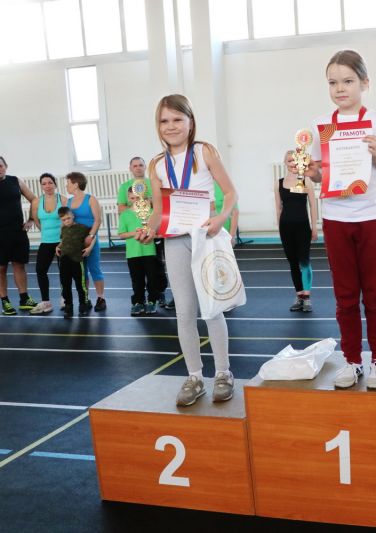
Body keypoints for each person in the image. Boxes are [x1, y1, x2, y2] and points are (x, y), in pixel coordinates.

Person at [293, 49, 376, 390]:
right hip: (336, 218)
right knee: (345, 296)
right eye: (333, 83)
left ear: (364, 83)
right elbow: (316, 175)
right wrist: (305, 169)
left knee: (375, 294)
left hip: (371, 218)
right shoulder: (319, 127)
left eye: (347, 81)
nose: (340, 88)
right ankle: (352, 360)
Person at [138, 94, 238, 406]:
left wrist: (221, 218)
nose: (171, 126)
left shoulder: (203, 151)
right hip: (175, 241)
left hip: (205, 237)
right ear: (158, 125)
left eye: (177, 119)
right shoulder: (156, 164)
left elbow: (230, 192)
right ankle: (195, 376)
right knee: (184, 311)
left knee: (212, 307)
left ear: (190, 122)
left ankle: (223, 373)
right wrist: (149, 228)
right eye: (164, 121)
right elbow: (158, 210)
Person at [118, 156, 171, 309]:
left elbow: (161, 206)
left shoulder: (153, 183)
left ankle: (158, 295)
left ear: (145, 166)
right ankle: (140, 299)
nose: (138, 168)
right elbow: (121, 208)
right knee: (139, 273)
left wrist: (148, 203)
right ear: (130, 168)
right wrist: (138, 208)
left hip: (153, 229)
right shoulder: (124, 186)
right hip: (136, 237)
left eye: (141, 165)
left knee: (157, 267)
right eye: (135, 165)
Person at [275, 150, 318, 312]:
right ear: (285, 163)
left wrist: (314, 227)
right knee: (292, 262)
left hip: (303, 227)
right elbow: (278, 208)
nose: (292, 163)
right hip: (286, 227)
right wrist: (279, 229)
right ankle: (299, 296)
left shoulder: (305, 180)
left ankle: (307, 298)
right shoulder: (279, 183)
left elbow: (313, 206)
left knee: (304, 261)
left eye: (294, 160)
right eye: (289, 160)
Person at [0, 156, 39, 315]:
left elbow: (34, 199)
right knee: (1, 268)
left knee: (19, 265)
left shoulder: (16, 181)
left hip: (17, 232)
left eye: (0, 166)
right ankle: (5, 301)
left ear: (6, 166)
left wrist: (31, 219)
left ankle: (24, 299)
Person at [65, 171, 105, 311]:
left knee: (94, 268)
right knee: (81, 272)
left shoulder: (90, 199)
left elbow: (97, 220)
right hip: (76, 242)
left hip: (90, 239)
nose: (66, 186)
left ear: (76, 184)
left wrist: (91, 236)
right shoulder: (69, 202)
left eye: (68, 183)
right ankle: (85, 299)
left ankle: (101, 298)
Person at [29, 173, 67, 315]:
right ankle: (46, 302)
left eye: (50, 182)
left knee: (64, 271)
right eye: (44, 183)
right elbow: (37, 221)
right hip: (46, 241)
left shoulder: (63, 200)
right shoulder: (36, 202)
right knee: (40, 270)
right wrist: (46, 232)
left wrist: (62, 238)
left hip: (62, 241)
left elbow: (68, 220)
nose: (47, 186)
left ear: (55, 184)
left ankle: (65, 298)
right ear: (41, 186)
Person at [118, 188, 159, 316]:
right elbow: (121, 234)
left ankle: (152, 301)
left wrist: (149, 233)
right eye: (132, 198)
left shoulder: (151, 212)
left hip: (149, 251)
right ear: (128, 198)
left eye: (137, 198)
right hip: (133, 253)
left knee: (152, 278)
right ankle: (137, 302)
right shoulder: (125, 214)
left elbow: (157, 231)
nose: (135, 200)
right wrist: (135, 233)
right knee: (136, 280)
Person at [55, 206, 91, 318]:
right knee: (65, 285)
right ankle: (68, 306)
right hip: (64, 259)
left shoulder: (82, 228)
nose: (67, 221)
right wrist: (58, 246)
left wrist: (89, 248)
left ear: (73, 216)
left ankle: (83, 305)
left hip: (77, 260)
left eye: (68, 218)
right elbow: (64, 241)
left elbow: (92, 236)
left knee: (80, 285)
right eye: (64, 220)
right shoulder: (63, 229)